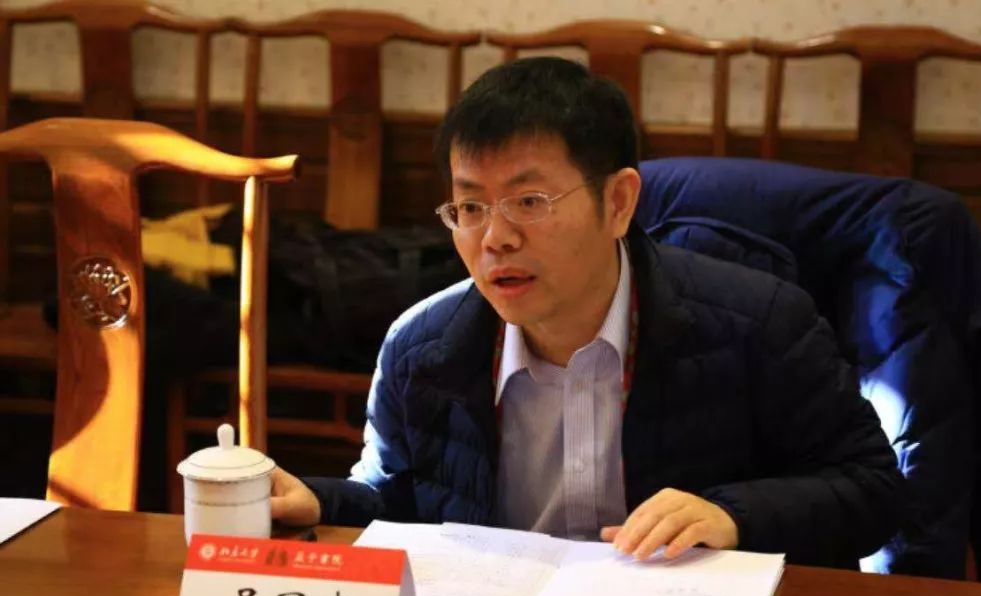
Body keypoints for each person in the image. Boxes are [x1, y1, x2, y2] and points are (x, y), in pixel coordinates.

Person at [270, 56, 904, 568]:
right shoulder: (420, 348)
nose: (495, 238)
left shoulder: (759, 323)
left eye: (529, 201)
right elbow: (394, 499)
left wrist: (733, 516)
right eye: (470, 208)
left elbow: (874, 491)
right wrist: (317, 499)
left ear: (619, 202)